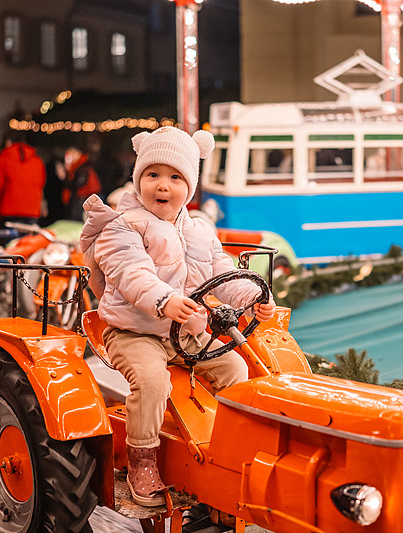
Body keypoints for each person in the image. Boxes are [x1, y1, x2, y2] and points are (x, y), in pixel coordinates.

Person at [79, 126, 276, 507]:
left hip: (184, 333)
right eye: (152, 175)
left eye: (175, 177)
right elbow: (130, 273)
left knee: (236, 368)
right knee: (152, 382)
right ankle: (142, 461)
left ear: (190, 186)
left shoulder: (200, 230)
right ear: (138, 181)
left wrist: (252, 298)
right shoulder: (123, 226)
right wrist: (164, 300)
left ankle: (225, 450)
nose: (163, 186)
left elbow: (222, 272)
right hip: (134, 331)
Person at [0, 131, 46, 229]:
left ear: (8, 142)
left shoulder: (3, 159)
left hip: (9, 212)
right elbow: (41, 185)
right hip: (32, 212)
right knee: (28, 243)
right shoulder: (37, 161)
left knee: (10, 244)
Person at [62, 145, 101, 220]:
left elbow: (77, 184)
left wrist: (65, 178)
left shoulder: (82, 167)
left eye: (72, 154)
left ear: (78, 154)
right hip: (81, 199)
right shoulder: (76, 167)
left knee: (77, 220)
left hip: (81, 199)